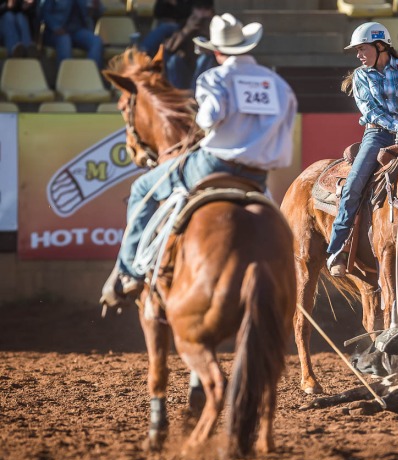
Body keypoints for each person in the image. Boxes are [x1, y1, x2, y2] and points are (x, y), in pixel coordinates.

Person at [103, 13, 297, 301]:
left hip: (212, 165)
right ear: (247, 46)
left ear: (216, 51)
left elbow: (209, 118)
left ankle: (129, 271)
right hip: (256, 174)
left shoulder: (215, 77)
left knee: (142, 188)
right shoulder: (277, 84)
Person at [326, 21, 398, 278]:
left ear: (381, 46)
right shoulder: (361, 75)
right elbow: (370, 110)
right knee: (353, 186)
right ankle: (337, 250)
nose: (359, 55)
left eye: (362, 49)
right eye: (357, 51)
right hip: (377, 135)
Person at [163, 0, 216, 90]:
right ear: (193, 10)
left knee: (205, 58)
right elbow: (168, 48)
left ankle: (193, 94)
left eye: (206, 9)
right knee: (174, 60)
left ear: (211, 11)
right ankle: (178, 96)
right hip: (187, 69)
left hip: (208, 71)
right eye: (199, 8)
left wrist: (207, 33)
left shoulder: (216, 25)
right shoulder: (186, 24)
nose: (202, 13)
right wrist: (187, 29)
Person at [39, 0, 103, 69]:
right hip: (56, 32)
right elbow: (44, 13)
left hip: (78, 31)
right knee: (64, 40)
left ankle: (91, 73)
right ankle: (66, 75)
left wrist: (96, 7)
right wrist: (55, 27)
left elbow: (98, 12)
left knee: (96, 41)